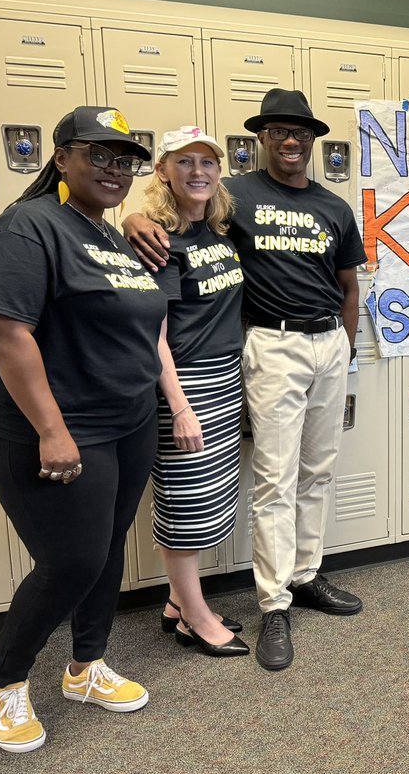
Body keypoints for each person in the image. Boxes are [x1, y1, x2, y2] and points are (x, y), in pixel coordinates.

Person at [124, 89, 366, 671]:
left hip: (328, 342)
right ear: (261, 138)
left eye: (301, 133)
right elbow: (177, 212)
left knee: (318, 470)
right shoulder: (240, 198)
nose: (291, 141)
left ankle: (306, 575)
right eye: (279, 131)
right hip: (271, 342)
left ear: (313, 141)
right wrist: (133, 216)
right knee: (276, 480)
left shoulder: (335, 206)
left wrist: (345, 352)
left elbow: (350, 287)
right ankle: (274, 602)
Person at [0, 107, 165, 752]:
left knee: (105, 547)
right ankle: (5, 681)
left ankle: (86, 666)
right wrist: (52, 431)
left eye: (125, 159)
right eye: (98, 155)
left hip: (123, 418)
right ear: (62, 158)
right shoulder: (28, 228)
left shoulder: (108, 234)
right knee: (71, 559)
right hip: (46, 423)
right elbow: (4, 330)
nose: (115, 169)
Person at [140, 126, 249, 657]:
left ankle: (175, 602)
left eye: (207, 162)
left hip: (226, 377)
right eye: (184, 162)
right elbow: (153, 333)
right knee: (186, 502)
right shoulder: (160, 242)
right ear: (163, 171)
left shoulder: (220, 233)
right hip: (186, 383)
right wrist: (180, 407)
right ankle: (196, 618)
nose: (198, 172)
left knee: (206, 499)